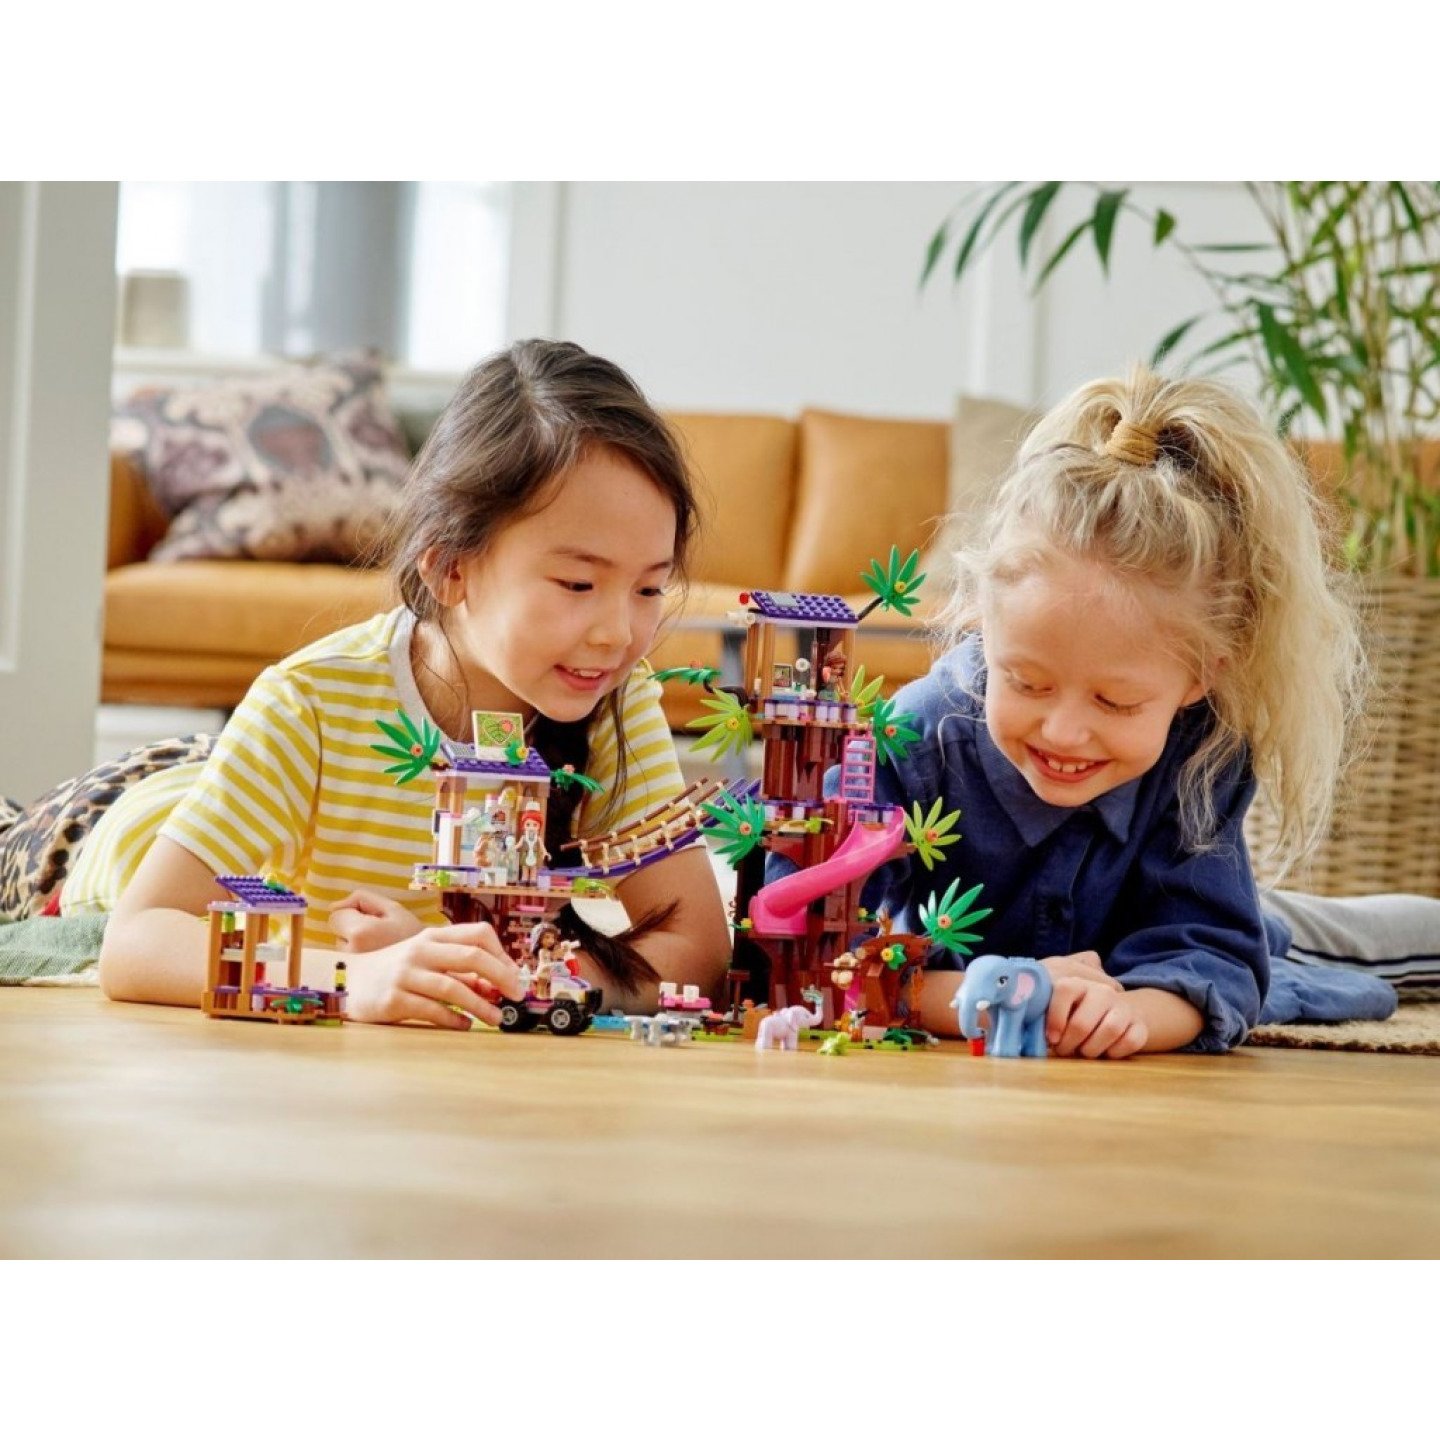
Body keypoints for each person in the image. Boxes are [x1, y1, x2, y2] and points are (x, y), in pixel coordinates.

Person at [79, 339, 731, 1027]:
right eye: (577, 583)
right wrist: (349, 976)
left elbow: (696, 948)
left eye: (649, 588)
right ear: (450, 568)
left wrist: (502, 977)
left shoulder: (615, 702)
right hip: (118, 821)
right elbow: (136, 940)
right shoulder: (311, 702)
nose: (618, 634)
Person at [863, 365, 1439, 1058]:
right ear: (983, 624)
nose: (1063, 731)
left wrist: (1130, 1015)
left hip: (1232, 933)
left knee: (1370, 948)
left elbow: (1215, 956)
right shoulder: (914, 736)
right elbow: (816, 958)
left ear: (1201, 677)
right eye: (1026, 682)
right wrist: (989, 997)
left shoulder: (1203, 750)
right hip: (1075, 953)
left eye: (1116, 701)